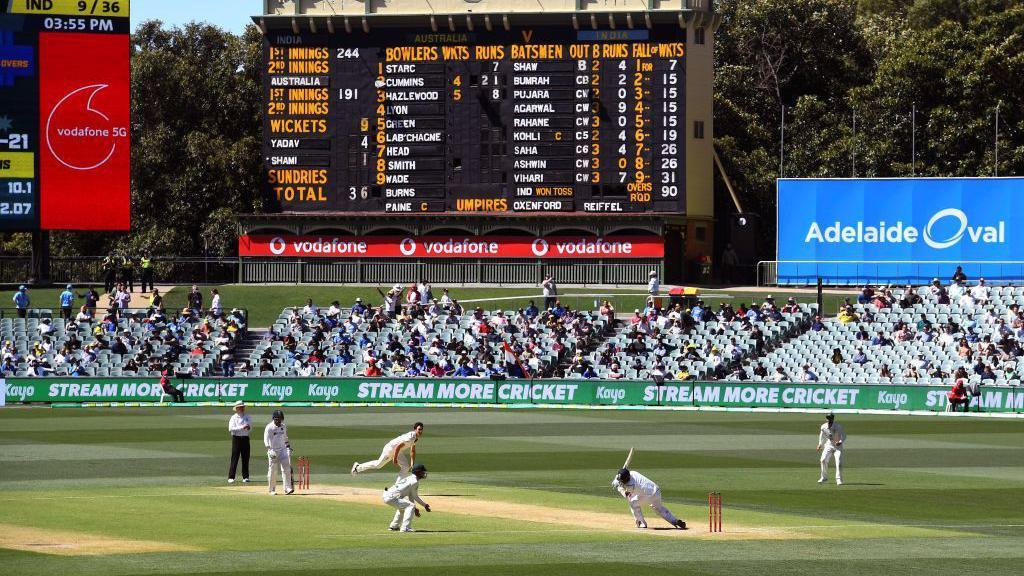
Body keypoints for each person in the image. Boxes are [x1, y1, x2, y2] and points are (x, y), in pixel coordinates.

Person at [611, 467, 687, 530]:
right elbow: (623, 476)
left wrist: (619, 487)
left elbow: (627, 495)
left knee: (633, 503)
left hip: (649, 495)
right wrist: (618, 479)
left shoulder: (631, 485)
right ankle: (675, 521)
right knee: (658, 508)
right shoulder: (633, 473)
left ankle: (641, 524)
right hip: (656, 491)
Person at [351, 422, 423, 479]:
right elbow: (398, 446)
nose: (420, 431)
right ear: (415, 429)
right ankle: (357, 467)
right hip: (390, 449)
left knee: (406, 467)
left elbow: (412, 451)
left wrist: (412, 464)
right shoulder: (410, 437)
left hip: (397, 451)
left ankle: (397, 486)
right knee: (378, 465)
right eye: (419, 429)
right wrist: (394, 459)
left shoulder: (415, 438)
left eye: (421, 429)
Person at [382, 463, 431, 532]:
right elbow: (415, 497)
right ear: (418, 472)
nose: (424, 474)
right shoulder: (414, 481)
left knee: (404, 507)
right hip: (392, 497)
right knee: (410, 506)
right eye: (422, 472)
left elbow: (411, 496)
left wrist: (414, 508)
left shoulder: (410, 478)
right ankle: (405, 528)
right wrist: (425, 505)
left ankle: (394, 526)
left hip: (388, 495)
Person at [264, 409, 293, 495]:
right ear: (274, 419)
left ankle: (287, 488)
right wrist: (269, 449)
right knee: (273, 470)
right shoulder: (269, 427)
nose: (279, 421)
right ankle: (272, 490)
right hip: (273, 450)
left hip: (283, 450)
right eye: (277, 419)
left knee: (286, 468)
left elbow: (285, 438)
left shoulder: (283, 426)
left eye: (280, 419)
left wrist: (288, 447)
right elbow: (265, 440)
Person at [817, 412, 845, 485]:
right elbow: (822, 435)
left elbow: (843, 435)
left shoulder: (838, 426)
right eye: (828, 419)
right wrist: (820, 444)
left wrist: (840, 442)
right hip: (829, 444)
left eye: (831, 419)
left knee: (838, 462)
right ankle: (824, 477)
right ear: (826, 419)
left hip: (838, 446)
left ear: (833, 419)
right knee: (823, 460)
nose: (829, 420)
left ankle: (839, 479)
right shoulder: (823, 426)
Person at [227, 400, 252, 484]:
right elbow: (230, 428)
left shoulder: (247, 416)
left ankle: (245, 477)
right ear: (237, 408)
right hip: (236, 439)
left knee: (245, 458)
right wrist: (242, 427)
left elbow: (250, 427)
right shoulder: (233, 417)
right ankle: (231, 477)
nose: (242, 408)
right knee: (235, 458)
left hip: (245, 438)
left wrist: (248, 427)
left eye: (243, 407)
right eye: (240, 407)